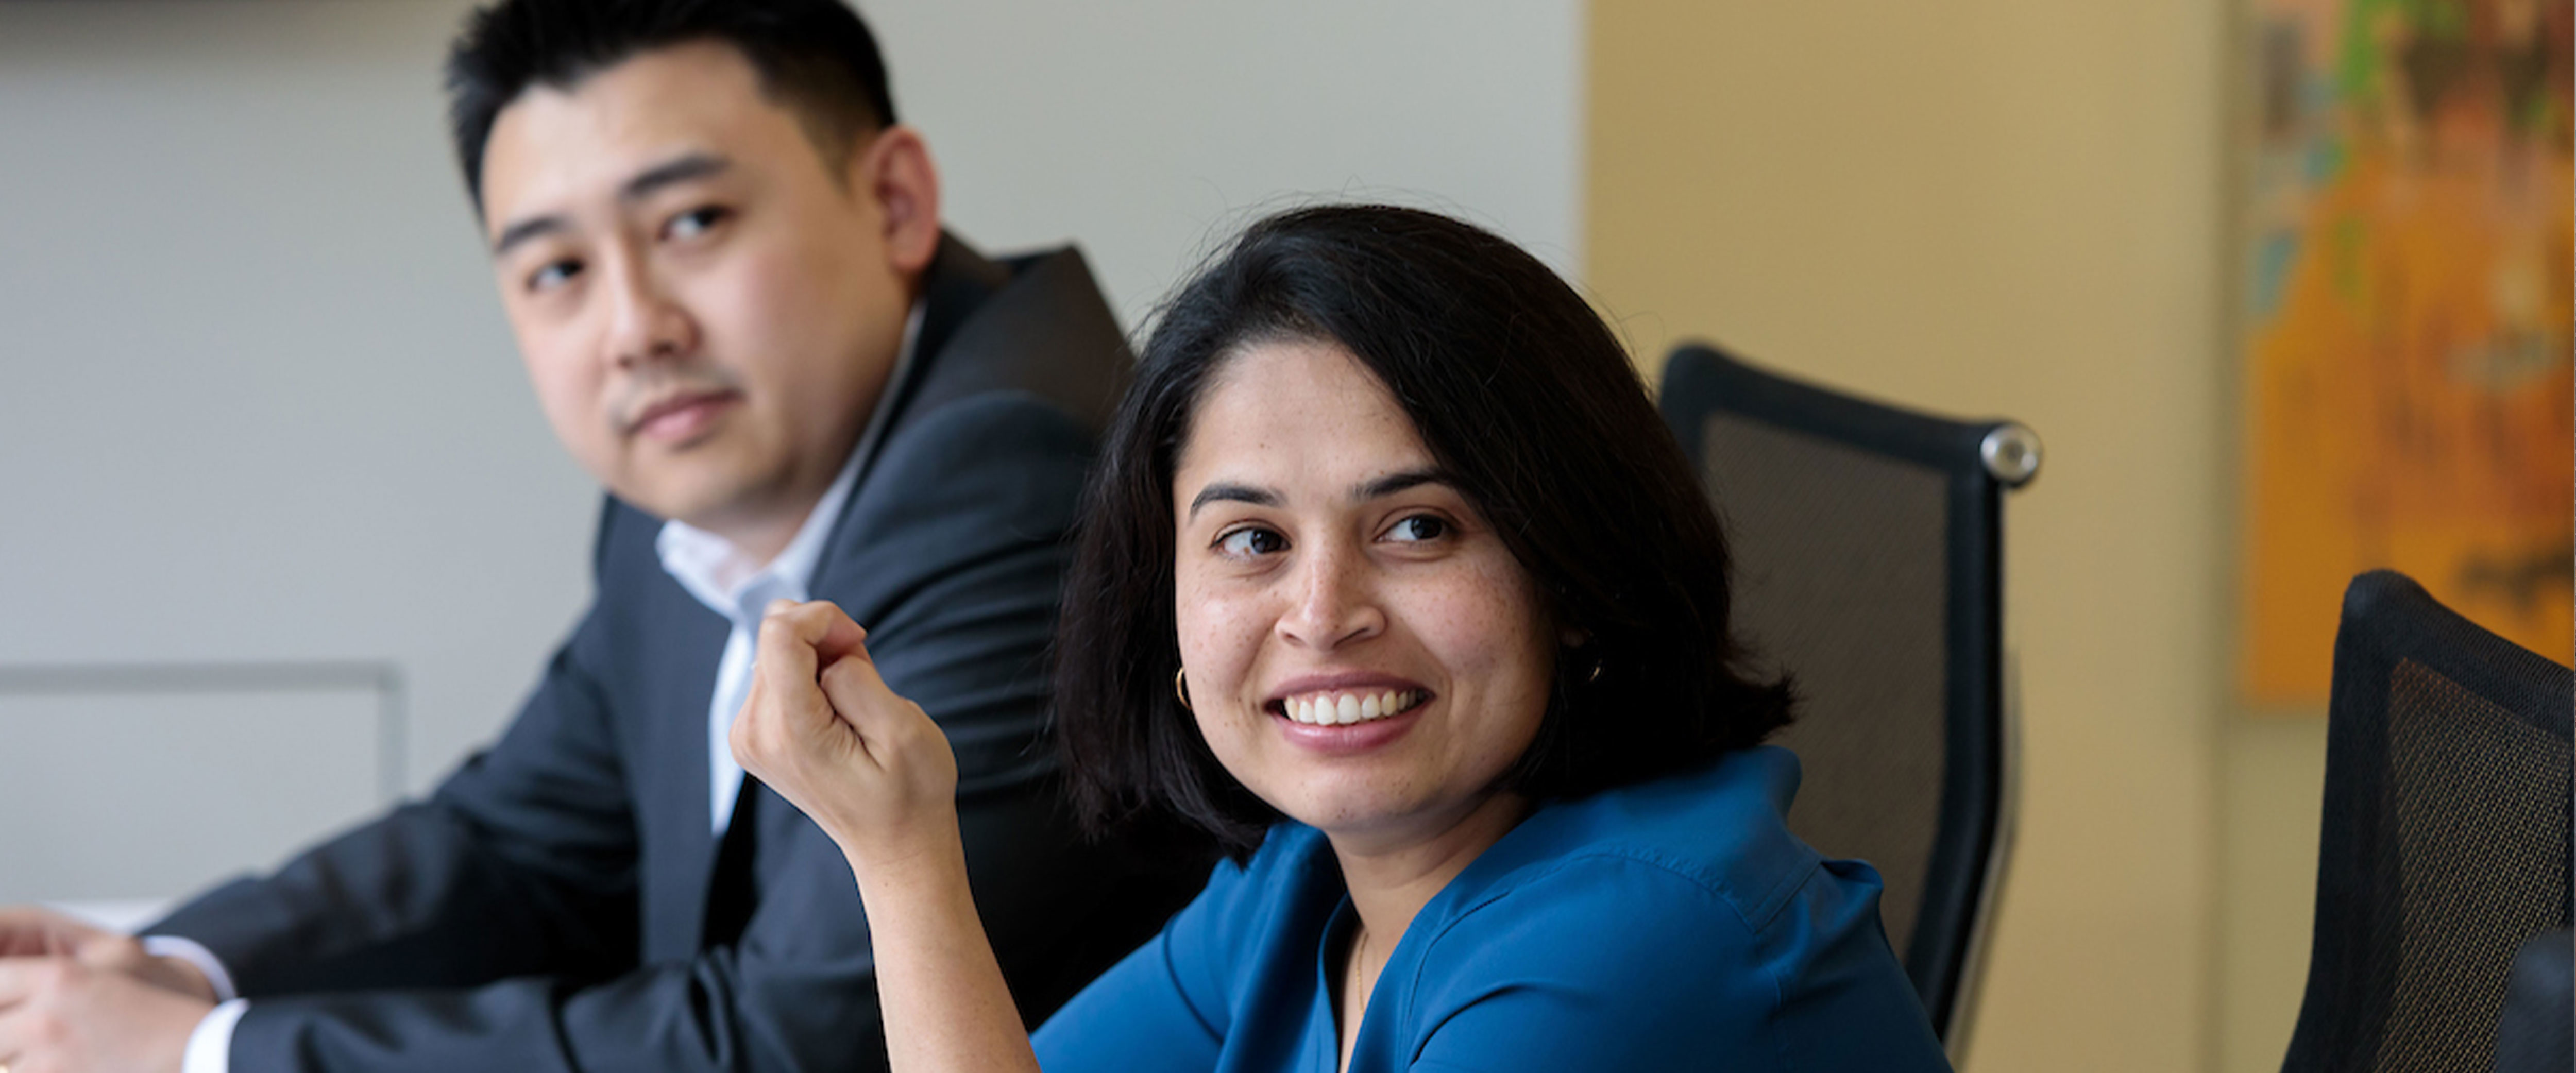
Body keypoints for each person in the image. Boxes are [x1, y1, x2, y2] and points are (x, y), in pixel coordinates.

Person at [0, 2, 1201, 1071]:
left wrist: (203, 1052)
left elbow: (803, 1038)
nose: (634, 328)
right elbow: (518, 839)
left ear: (894, 200)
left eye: (690, 222)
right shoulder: (716, 467)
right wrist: (165, 969)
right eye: (558, 267)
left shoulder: (1014, 474)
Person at [732, 203, 1955, 1072]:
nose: (1321, 614)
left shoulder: (1625, 951)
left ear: (1573, 574)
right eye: (1252, 540)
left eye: (1419, 526)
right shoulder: (1301, 890)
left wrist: (905, 869)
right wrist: (897, 848)